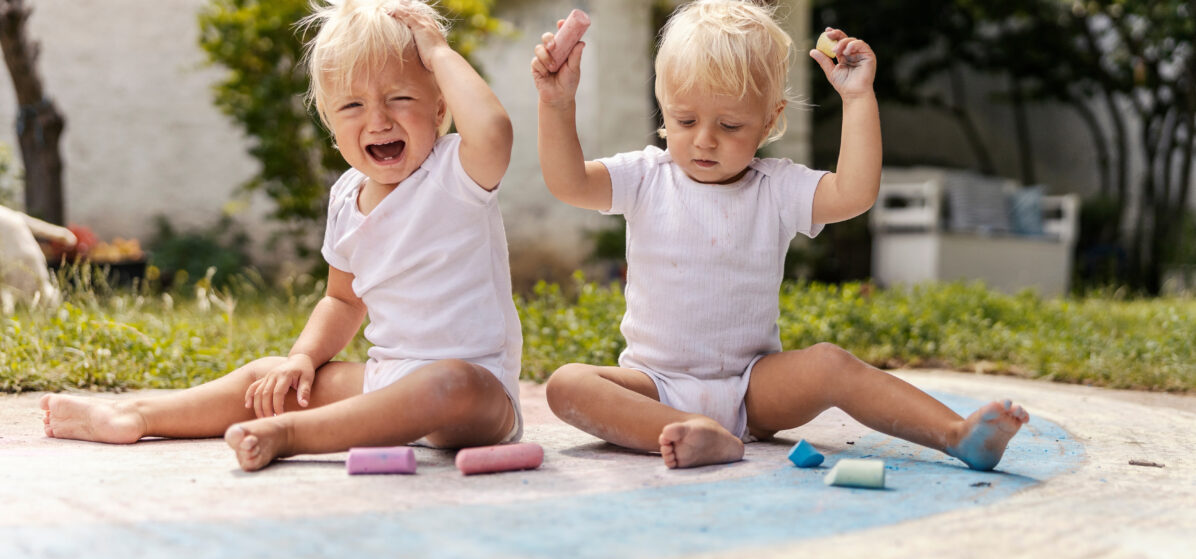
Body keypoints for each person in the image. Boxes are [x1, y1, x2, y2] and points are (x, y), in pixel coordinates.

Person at [531, 0, 1028, 470]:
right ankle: (694, 431)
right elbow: (568, 182)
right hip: (654, 386)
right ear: (663, 107)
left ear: (769, 120)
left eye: (730, 125)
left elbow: (854, 193)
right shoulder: (645, 176)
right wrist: (556, 103)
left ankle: (957, 434)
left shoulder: (776, 187)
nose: (704, 139)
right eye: (684, 120)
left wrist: (857, 98)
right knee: (568, 384)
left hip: (754, 388)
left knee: (829, 363)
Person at [39, 0, 523, 471]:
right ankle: (137, 415)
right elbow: (342, 301)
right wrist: (302, 358)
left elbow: (495, 130)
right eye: (352, 105)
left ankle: (292, 434)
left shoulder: (455, 173)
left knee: (448, 381)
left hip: (477, 395)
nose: (378, 120)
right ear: (330, 123)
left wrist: (437, 51)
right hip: (386, 381)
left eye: (400, 98)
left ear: (440, 109)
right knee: (269, 378)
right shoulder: (346, 197)